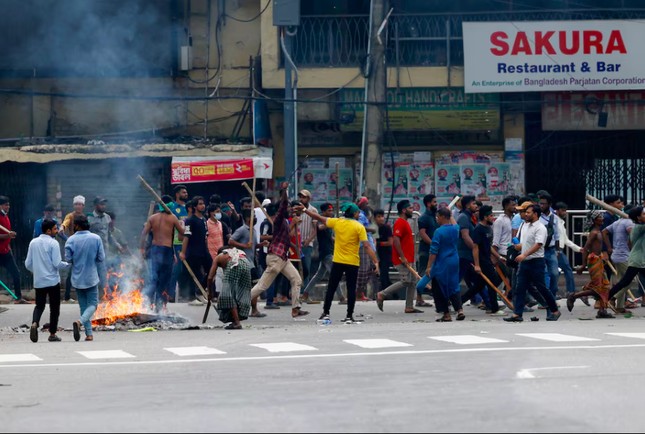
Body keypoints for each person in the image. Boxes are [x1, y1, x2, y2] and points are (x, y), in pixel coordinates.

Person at [297, 202, 379, 323]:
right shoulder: (358, 227)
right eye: (358, 213)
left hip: (338, 261)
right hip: (352, 262)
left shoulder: (337, 222)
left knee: (332, 287)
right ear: (355, 213)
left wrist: (304, 210)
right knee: (351, 289)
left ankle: (325, 313)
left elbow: (318, 217)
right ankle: (349, 316)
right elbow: (366, 246)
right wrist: (375, 261)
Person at [250, 185, 308, 319]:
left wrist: (294, 224)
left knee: (296, 279)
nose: (289, 210)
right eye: (288, 208)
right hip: (276, 257)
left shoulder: (285, 223)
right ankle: (236, 303)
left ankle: (295, 309)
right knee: (262, 286)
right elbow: (283, 205)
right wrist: (285, 192)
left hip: (282, 257)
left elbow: (289, 236)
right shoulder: (279, 219)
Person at [504, 204, 562, 322]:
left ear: (535, 214)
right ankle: (517, 314)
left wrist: (524, 254)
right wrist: (517, 248)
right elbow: (525, 243)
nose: (526, 214)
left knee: (542, 288)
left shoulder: (540, 228)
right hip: (524, 262)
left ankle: (555, 310)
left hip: (536, 262)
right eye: (526, 212)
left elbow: (538, 244)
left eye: (529, 212)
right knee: (519, 288)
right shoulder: (525, 226)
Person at [416, 207, 464, 322]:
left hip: (442, 262)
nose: (437, 219)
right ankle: (460, 310)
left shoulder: (439, 231)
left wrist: (428, 267)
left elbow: (433, 251)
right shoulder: (455, 229)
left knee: (439, 287)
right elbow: (455, 223)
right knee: (454, 286)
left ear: (443, 217)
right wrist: (450, 214)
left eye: (438, 217)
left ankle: (446, 313)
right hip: (454, 261)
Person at [25, 219, 70, 342]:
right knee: (54, 308)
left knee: (39, 306)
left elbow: (27, 264)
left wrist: (37, 271)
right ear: (48, 230)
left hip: (39, 281)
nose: (57, 231)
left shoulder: (33, 242)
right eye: (55, 229)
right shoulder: (53, 243)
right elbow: (57, 263)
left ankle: (35, 323)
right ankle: (52, 334)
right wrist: (67, 265)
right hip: (52, 281)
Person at [376, 200, 421, 314]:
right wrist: (402, 256)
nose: (412, 210)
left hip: (409, 257)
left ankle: (409, 306)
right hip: (403, 259)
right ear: (404, 210)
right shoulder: (400, 222)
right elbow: (396, 240)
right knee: (406, 281)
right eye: (410, 208)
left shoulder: (405, 222)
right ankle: (382, 294)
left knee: (413, 281)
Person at [65, 215, 105, 341]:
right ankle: (80, 322)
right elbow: (101, 258)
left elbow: (68, 259)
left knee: (83, 306)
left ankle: (89, 334)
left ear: (76, 225)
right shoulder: (96, 238)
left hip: (77, 278)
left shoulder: (70, 240)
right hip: (91, 277)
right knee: (93, 304)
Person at [568, 211, 614, 318]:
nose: (602, 219)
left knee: (604, 285)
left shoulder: (599, 231)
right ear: (594, 220)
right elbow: (585, 249)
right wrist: (583, 265)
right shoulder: (594, 233)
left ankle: (602, 310)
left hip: (599, 259)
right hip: (593, 260)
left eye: (602, 217)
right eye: (599, 217)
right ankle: (574, 296)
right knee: (598, 287)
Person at [460, 206, 504, 315]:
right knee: (492, 282)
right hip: (482, 261)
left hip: (487, 259)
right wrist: (477, 265)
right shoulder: (478, 230)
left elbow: (488, 246)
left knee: (478, 286)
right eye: (490, 216)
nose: (492, 218)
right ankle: (493, 307)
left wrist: (498, 257)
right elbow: (475, 247)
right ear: (485, 217)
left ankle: (458, 302)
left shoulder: (488, 228)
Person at [140, 203, 184, 311]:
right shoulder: (173, 218)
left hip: (155, 250)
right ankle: (159, 306)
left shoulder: (152, 218)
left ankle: (148, 303)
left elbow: (143, 234)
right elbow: (182, 234)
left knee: (154, 279)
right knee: (164, 280)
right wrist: (182, 224)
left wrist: (141, 248)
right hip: (166, 250)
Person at [301, 203, 346, 304]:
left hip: (329, 250)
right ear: (324, 212)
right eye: (329, 211)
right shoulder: (321, 221)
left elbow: (330, 237)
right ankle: (342, 298)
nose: (331, 212)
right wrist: (332, 222)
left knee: (318, 276)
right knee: (335, 274)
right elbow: (319, 228)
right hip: (326, 252)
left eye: (331, 210)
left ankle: (305, 294)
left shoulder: (329, 222)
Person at [607, 206, 645, 309]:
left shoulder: (638, 226)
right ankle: (608, 297)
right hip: (638, 260)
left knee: (625, 282)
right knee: (625, 282)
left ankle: (609, 297)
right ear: (638, 218)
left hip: (639, 259)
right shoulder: (639, 227)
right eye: (643, 214)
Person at [602, 204, 638, 313]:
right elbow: (632, 237)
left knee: (622, 280)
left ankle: (620, 307)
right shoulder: (629, 222)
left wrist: (609, 247)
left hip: (616, 254)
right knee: (632, 280)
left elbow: (604, 232)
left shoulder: (617, 222)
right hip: (624, 255)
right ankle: (614, 297)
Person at [207, 247, 253, 330]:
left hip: (234, 264)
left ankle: (237, 322)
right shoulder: (233, 253)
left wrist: (209, 293)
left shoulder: (218, 258)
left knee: (228, 295)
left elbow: (210, 277)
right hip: (246, 264)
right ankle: (236, 319)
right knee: (242, 291)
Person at [180, 196, 212, 305]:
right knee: (195, 274)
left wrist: (207, 249)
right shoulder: (190, 221)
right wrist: (183, 252)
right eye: (200, 204)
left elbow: (205, 237)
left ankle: (200, 291)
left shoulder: (203, 220)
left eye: (203, 203)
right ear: (194, 206)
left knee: (212, 269)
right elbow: (186, 237)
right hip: (193, 251)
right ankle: (192, 297)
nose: (202, 206)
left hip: (203, 250)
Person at [88, 196, 121, 292]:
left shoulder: (107, 218)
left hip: (105, 252)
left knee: (105, 274)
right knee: (94, 276)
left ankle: (107, 296)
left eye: (104, 204)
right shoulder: (89, 218)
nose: (103, 206)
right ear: (95, 205)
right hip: (93, 253)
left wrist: (117, 244)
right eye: (101, 204)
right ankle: (97, 296)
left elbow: (109, 234)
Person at [554, 202, 583, 300]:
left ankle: (559, 292)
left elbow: (565, 239)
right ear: (557, 211)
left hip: (558, 249)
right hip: (556, 249)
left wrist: (578, 249)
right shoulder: (555, 222)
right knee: (565, 270)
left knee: (557, 272)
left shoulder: (561, 222)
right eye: (563, 210)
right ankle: (571, 291)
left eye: (565, 210)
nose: (565, 212)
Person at [61, 195, 86, 302]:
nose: (78, 206)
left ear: (83, 206)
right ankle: (67, 297)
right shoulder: (70, 216)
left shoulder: (85, 217)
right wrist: (67, 237)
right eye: (76, 204)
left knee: (84, 271)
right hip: (74, 248)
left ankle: (83, 295)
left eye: (80, 204)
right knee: (71, 272)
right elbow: (64, 225)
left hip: (84, 247)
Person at [0, 196, 25, 303]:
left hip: (6, 251)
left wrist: (8, 239)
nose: (8, 207)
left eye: (8, 205)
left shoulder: (6, 217)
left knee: (16, 273)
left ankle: (18, 298)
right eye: (6, 205)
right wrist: (8, 236)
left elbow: (6, 234)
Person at [416, 194, 438, 307]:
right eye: (434, 202)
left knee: (435, 274)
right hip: (426, 251)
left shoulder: (434, 216)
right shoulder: (424, 217)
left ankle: (436, 297)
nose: (436, 204)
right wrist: (433, 244)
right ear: (428, 203)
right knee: (423, 273)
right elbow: (423, 233)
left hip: (434, 251)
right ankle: (419, 299)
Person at [169, 185, 189, 303]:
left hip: (188, 242)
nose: (186, 194)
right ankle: (170, 294)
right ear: (177, 194)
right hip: (177, 243)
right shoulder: (173, 208)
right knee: (176, 270)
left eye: (186, 192)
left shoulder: (188, 208)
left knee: (187, 270)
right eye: (183, 192)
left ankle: (186, 294)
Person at [229, 209, 262, 280]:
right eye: (254, 216)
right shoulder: (242, 230)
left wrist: (262, 244)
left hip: (253, 261)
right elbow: (231, 241)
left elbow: (254, 246)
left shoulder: (253, 230)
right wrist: (244, 246)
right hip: (245, 261)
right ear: (247, 218)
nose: (255, 218)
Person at [538, 193, 560, 299]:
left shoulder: (554, 217)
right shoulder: (537, 217)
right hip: (540, 249)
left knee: (555, 274)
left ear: (549, 204)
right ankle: (546, 299)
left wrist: (558, 250)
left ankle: (552, 295)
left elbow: (557, 235)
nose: (541, 206)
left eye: (544, 204)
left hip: (551, 250)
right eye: (540, 203)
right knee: (544, 274)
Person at [297, 189, 318, 298]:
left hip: (306, 244)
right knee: (295, 269)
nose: (301, 199)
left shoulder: (313, 210)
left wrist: (309, 240)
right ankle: (296, 292)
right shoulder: (296, 209)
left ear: (308, 199)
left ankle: (304, 292)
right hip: (295, 243)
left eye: (303, 197)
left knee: (306, 268)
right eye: (300, 197)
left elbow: (315, 229)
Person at [356, 196, 378, 300]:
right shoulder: (359, 214)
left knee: (372, 268)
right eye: (365, 203)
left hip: (368, 245)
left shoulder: (364, 214)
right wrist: (371, 230)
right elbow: (359, 227)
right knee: (364, 269)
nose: (367, 205)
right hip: (363, 245)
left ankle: (360, 291)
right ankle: (358, 292)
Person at [374, 209, 393, 290]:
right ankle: (393, 293)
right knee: (383, 275)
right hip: (377, 254)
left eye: (382, 216)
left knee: (384, 275)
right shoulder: (373, 228)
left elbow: (390, 242)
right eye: (378, 217)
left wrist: (379, 243)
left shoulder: (387, 228)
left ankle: (385, 293)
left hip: (386, 254)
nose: (381, 218)